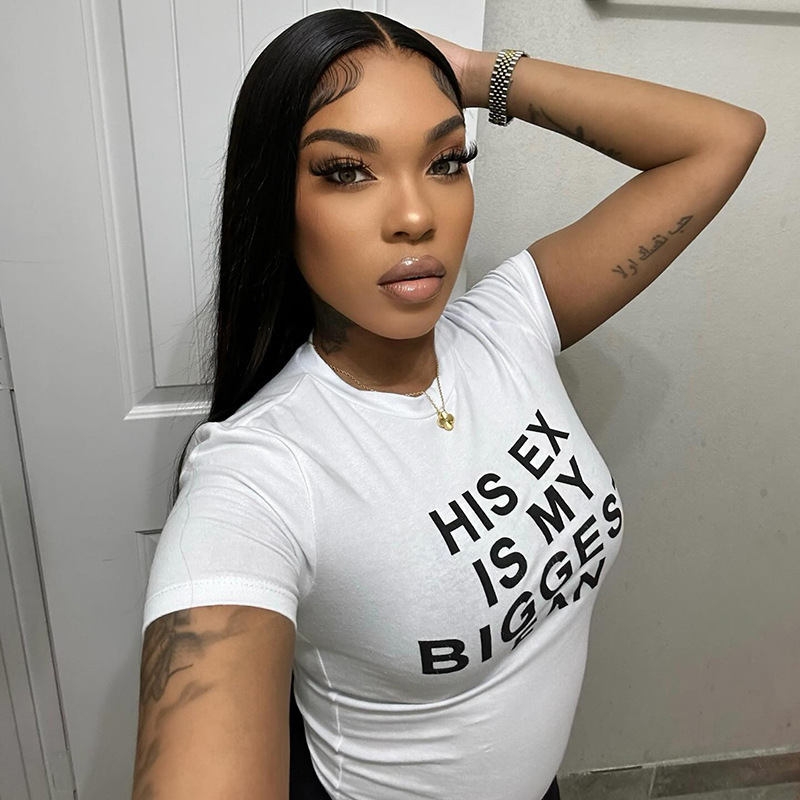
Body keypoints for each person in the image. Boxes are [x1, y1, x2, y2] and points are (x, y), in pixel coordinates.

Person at [132, 8, 764, 800]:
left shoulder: (510, 323)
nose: (415, 217)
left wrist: (470, 73)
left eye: (445, 160)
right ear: (275, 200)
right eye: (346, 171)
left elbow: (725, 138)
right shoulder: (257, 474)